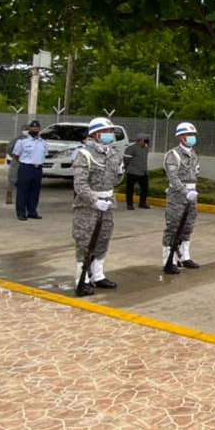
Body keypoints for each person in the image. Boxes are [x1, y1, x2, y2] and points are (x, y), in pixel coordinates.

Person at [71, 117, 122, 296]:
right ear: (95, 134)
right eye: (106, 132)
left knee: (103, 239)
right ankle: (82, 279)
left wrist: (105, 197)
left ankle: (97, 275)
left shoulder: (114, 154)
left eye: (111, 132)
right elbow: (80, 184)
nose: (110, 135)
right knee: (85, 241)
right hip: (88, 206)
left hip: (108, 202)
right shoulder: (84, 154)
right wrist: (94, 200)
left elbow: (118, 176)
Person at [162, 123, 201, 271]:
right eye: (188, 135)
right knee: (173, 227)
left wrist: (191, 192)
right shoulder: (173, 155)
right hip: (177, 196)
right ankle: (168, 261)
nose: (191, 138)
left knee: (188, 227)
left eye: (193, 135)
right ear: (180, 137)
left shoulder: (194, 155)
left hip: (192, 196)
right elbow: (173, 177)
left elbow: (195, 174)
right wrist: (185, 191)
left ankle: (184, 257)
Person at [12, 119, 47, 221]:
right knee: (22, 191)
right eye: (33, 128)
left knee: (34, 192)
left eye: (37, 128)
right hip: (26, 168)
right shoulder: (22, 142)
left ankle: (32, 212)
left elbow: (44, 154)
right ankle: (21, 213)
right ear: (29, 129)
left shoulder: (43, 143)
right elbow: (16, 155)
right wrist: (25, 162)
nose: (35, 129)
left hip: (38, 169)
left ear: (40, 129)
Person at [123, 133, 151, 209]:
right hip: (132, 171)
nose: (147, 140)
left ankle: (142, 202)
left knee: (145, 188)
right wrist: (127, 168)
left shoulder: (146, 147)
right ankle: (129, 204)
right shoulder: (131, 148)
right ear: (140, 140)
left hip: (143, 171)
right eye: (145, 139)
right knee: (130, 188)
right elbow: (126, 159)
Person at [5, 126, 28, 205]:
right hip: (16, 161)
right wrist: (14, 157)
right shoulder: (17, 139)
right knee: (12, 178)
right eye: (25, 129)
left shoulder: (31, 139)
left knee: (24, 180)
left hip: (26, 162)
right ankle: (9, 196)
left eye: (28, 129)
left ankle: (23, 197)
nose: (27, 131)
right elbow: (9, 149)